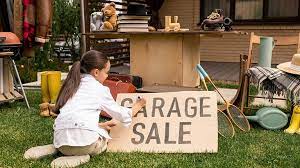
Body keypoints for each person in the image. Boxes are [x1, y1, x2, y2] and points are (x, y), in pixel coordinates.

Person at [24, 50, 146, 168]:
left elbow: (76, 115)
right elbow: (123, 114)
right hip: (86, 145)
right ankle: (82, 156)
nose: (107, 76)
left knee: (73, 139)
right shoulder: (100, 89)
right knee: (103, 142)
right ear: (96, 72)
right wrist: (138, 105)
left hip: (60, 141)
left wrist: (99, 126)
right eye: (106, 72)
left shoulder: (72, 85)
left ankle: (55, 148)